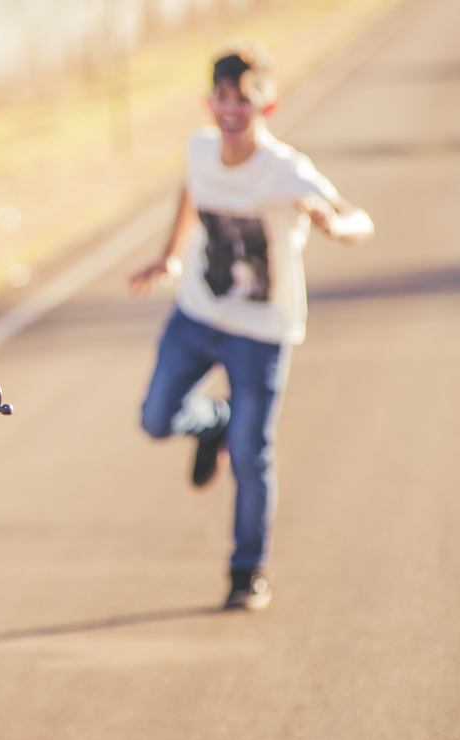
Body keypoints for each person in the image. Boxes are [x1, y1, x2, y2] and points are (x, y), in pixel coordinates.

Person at [128, 43, 373, 611]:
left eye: (246, 97)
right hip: (196, 315)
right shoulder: (199, 148)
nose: (232, 107)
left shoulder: (286, 171)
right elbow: (192, 188)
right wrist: (169, 254)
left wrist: (336, 227)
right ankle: (212, 420)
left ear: (269, 104)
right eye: (223, 96)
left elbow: (360, 218)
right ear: (208, 102)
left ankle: (247, 572)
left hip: (261, 332)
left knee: (251, 454)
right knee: (156, 418)